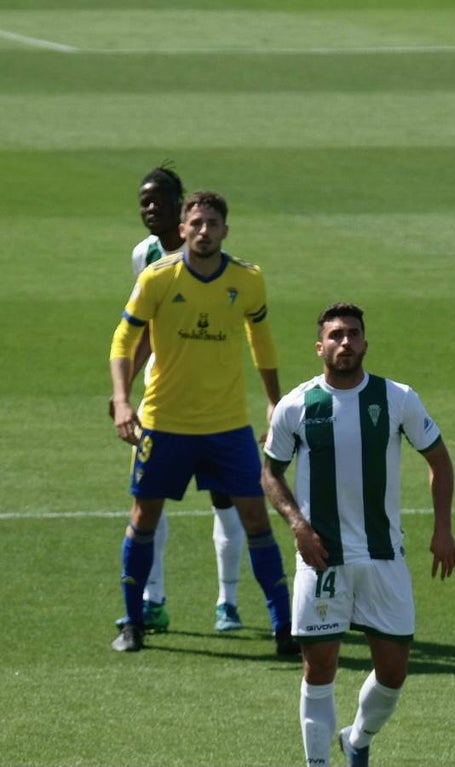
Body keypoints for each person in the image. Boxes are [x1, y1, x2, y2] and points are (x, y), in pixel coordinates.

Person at [262, 302, 455, 767]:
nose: (345, 342)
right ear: (319, 347)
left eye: (353, 334)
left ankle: (359, 737)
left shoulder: (397, 398)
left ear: (365, 343)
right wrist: (298, 526)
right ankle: (318, 764)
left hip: (383, 555)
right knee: (320, 668)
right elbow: (271, 472)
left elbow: (440, 461)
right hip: (322, 557)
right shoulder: (296, 404)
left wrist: (443, 529)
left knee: (393, 672)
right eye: (335, 335)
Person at [108, 189, 295, 655]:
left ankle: (284, 627)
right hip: (163, 422)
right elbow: (123, 339)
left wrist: (274, 403)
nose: (204, 231)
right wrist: (121, 398)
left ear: (225, 230)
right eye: (197, 223)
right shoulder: (157, 278)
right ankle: (133, 622)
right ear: (183, 229)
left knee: (256, 517)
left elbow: (262, 342)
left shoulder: (248, 280)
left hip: (226, 426)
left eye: (213, 223)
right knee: (143, 517)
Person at [112, 165, 249, 635]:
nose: (149, 209)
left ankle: (227, 602)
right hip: (160, 398)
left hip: (213, 401)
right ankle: (153, 600)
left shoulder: (218, 263)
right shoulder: (144, 256)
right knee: (148, 501)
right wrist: (124, 391)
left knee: (224, 498)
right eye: (143, 202)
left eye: (158, 201)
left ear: (180, 206)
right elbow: (143, 331)